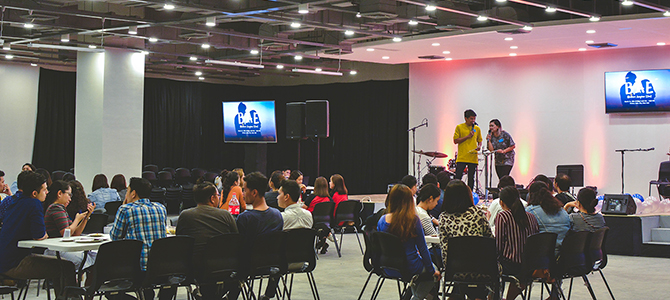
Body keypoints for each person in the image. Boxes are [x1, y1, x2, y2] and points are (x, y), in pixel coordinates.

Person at [0, 172, 76, 297]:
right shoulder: (33, 204)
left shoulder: (14, 200)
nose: (47, 192)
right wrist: (44, 235)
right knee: (66, 267)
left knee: (60, 265)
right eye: (45, 189)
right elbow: (40, 235)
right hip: (15, 262)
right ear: (34, 193)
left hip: (5, 258)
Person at [175, 181, 238, 299]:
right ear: (212, 198)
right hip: (224, 266)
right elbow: (235, 238)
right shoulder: (226, 215)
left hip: (194, 269)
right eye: (218, 195)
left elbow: (180, 242)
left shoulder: (185, 215)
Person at [377, 184, 440, 300]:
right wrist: (432, 271)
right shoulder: (413, 220)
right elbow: (423, 249)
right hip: (410, 265)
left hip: (387, 265)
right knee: (433, 273)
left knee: (423, 277)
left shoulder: (382, 220)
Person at [438, 180, 493, 300]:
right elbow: (490, 240)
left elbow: (444, 249)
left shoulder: (443, 218)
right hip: (482, 268)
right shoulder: (478, 213)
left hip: (456, 270)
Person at [235, 172, 283, 300]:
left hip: (247, 267)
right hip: (272, 265)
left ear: (254, 192)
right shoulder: (277, 215)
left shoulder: (244, 218)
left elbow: (238, 247)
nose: (243, 194)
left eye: (245, 190)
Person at [110, 177, 167, 271]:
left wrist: (123, 205)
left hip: (137, 267)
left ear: (133, 194)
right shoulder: (161, 208)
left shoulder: (125, 209)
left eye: (127, 191)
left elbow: (115, 237)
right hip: (160, 266)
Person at [495, 186, 539, 300]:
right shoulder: (531, 217)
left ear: (501, 202)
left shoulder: (503, 216)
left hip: (511, 265)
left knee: (490, 265)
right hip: (529, 265)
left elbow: (498, 246)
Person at [43, 180, 96, 269]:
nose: (70, 199)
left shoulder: (61, 208)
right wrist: (77, 219)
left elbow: (75, 233)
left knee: (94, 256)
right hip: (56, 250)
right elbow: (66, 233)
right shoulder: (56, 208)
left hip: (61, 249)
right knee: (89, 259)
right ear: (59, 193)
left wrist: (86, 218)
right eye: (69, 195)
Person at [525, 181, 570, 253]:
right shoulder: (562, 211)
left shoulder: (530, 211)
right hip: (564, 255)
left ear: (530, 195)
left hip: (543, 255)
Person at [453, 109, 482, 190]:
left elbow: (480, 140)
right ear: (466, 118)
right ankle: (456, 193)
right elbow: (455, 141)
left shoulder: (477, 129)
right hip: (462, 157)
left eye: (474, 119)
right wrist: (467, 137)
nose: (473, 121)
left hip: (472, 157)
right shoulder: (459, 127)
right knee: (458, 177)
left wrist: (479, 146)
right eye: (471, 119)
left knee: (471, 178)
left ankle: (470, 195)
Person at [416, 183, 441, 266]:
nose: (437, 204)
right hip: (430, 250)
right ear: (430, 199)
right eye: (436, 201)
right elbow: (436, 240)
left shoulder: (416, 210)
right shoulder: (423, 216)